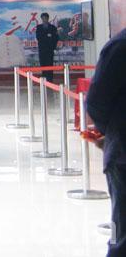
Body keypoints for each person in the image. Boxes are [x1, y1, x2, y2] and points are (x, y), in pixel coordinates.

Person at [86, 28, 126, 257]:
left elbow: (96, 103)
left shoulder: (120, 45)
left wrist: (108, 133)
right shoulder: (120, 46)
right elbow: (96, 103)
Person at [35, 12, 59, 81]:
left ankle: (50, 78)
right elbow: (38, 37)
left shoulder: (53, 27)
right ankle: (44, 77)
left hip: (50, 49)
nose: (44, 19)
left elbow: (56, 38)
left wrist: (53, 45)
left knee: (50, 63)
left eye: (46, 18)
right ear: (41, 19)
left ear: (48, 18)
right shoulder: (39, 27)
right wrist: (48, 36)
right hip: (42, 49)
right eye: (43, 18)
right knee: (43, 63)